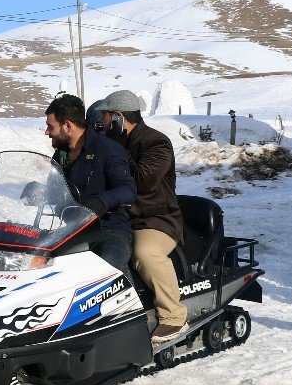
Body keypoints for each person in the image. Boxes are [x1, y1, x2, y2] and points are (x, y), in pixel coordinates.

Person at [101, 90, 188, 344]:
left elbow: (143, 180)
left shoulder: (156, 143)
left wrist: (115, 147)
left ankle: (173, 316)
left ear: (117, 117)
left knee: (144, 252)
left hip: (156, 220)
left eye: (106, 116)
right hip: (118, 218)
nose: (102, 122)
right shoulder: (111, 142)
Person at [44, 94, 136, 282]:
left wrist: (100, 202)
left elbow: (128, 189)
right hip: (74, 229)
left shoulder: (107, 149)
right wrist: (37, 190)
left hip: (109, 229)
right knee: (43, 266)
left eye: (51, 126)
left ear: (68, 126)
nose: (47, 132)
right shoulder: (61, 154)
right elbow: (53, 190)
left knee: (108, 270)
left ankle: (134, 309)